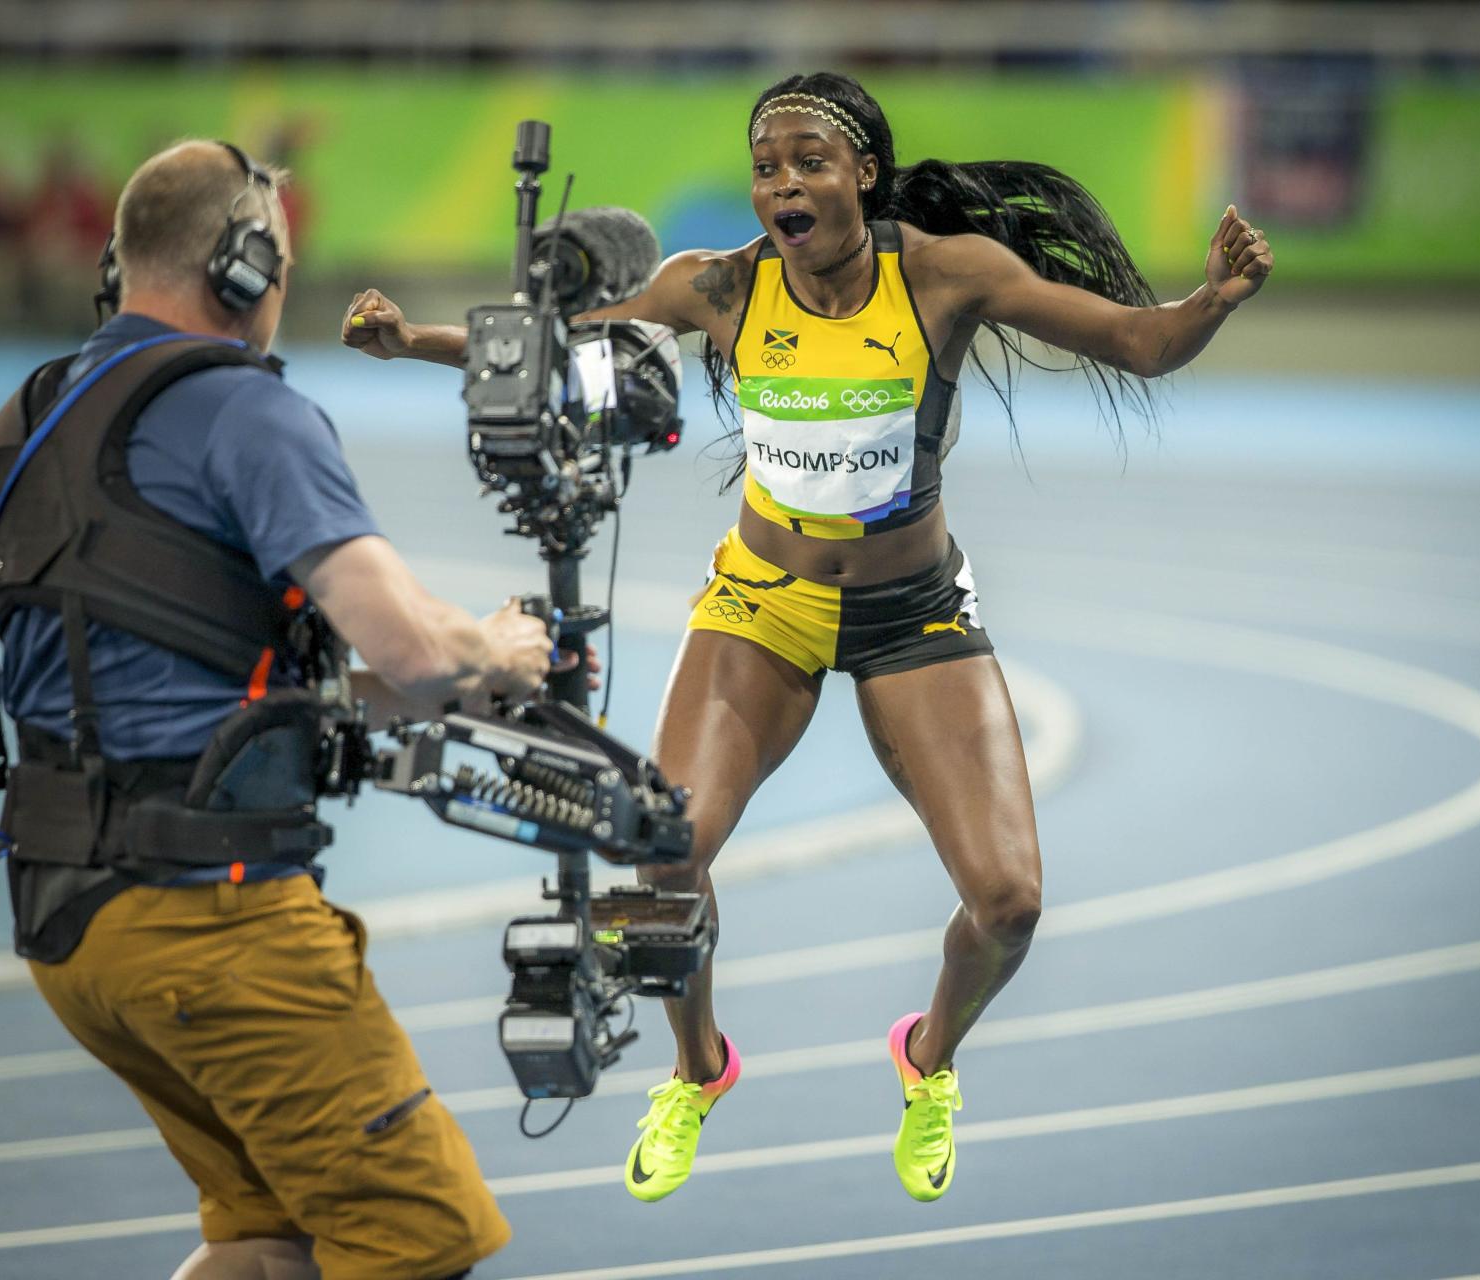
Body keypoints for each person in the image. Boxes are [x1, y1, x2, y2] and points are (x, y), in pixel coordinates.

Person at [341, 70, 1274, 1205]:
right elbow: (549, 349)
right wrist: (411, 341)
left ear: (863, 176)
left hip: (913, 614)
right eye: (766, 167)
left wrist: (1214, 298)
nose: (782, 184)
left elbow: (1137, 342)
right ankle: (697, 1069)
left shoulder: (945, 274)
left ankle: (928, 1059)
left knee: (1010, 905)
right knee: (662, 856)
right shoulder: (722, 285)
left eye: (808, 162)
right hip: (761, 604)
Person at [0, 140, 577, 1279]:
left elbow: (190, 656)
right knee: (418, 1235)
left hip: (69, 923)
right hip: (212, 921)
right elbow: (416, 651)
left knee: (272, 1242)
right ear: (246, 265)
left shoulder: (31, 415)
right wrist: (502, 648)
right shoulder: (244, 410)